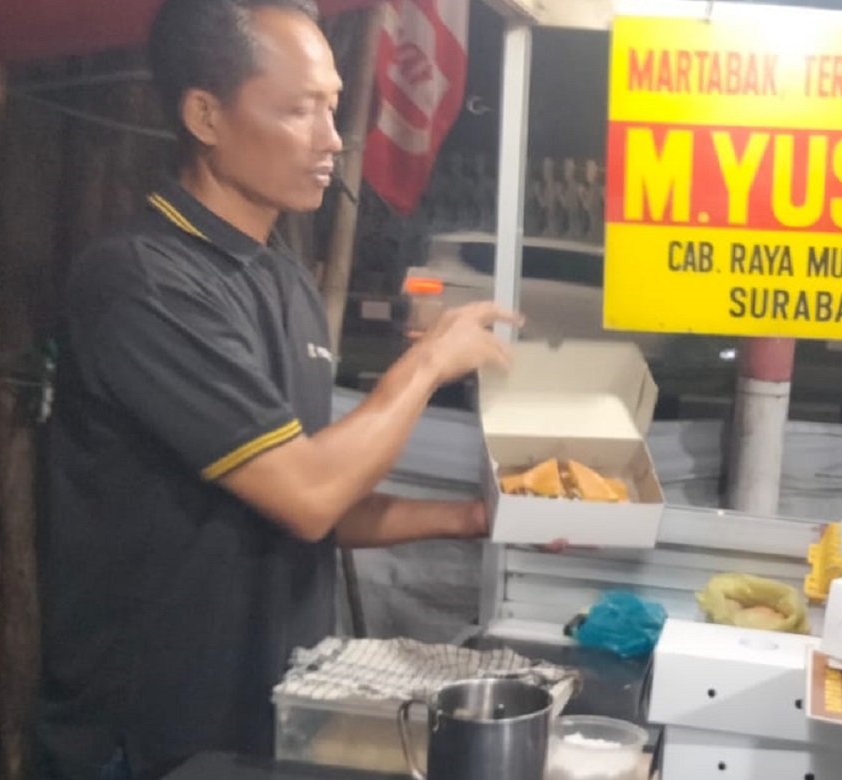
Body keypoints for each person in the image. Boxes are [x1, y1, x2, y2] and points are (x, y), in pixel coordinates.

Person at [34, 1, 521, 778]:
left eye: (331, 105)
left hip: (266, 711)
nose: (332, 137)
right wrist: (426, 365)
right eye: (299, 109)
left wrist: (478, 517)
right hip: (148, 736)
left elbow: (311, 496)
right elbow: (308, 493)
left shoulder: (283, 278)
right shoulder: (144, 282)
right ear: (206, 115)